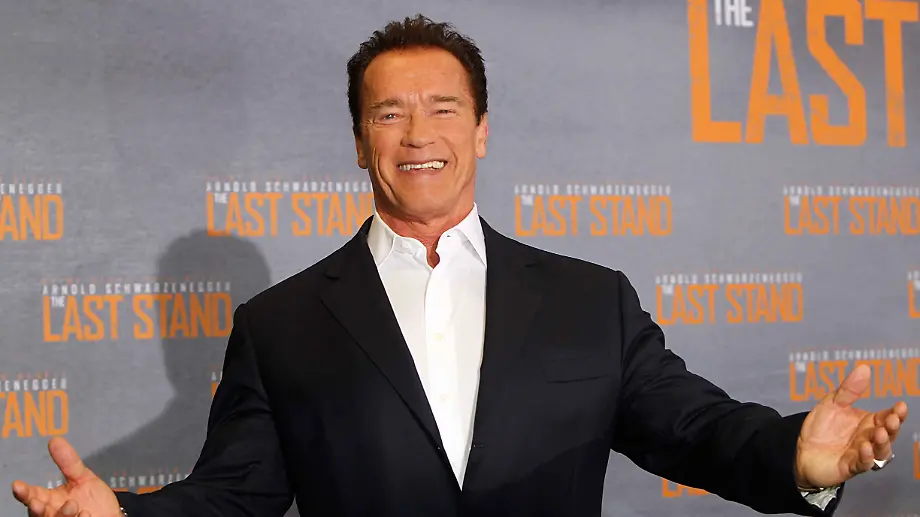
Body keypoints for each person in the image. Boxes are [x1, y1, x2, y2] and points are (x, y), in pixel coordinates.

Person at [11, 14, 908, 517]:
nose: (418, 134)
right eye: (388, 113)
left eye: (443, 108)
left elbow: (694, 429)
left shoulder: (590, 301)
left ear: (480, 130)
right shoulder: (280, 324)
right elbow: (235, 497)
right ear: (359, 141)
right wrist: (123, 515)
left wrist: (800, 454)